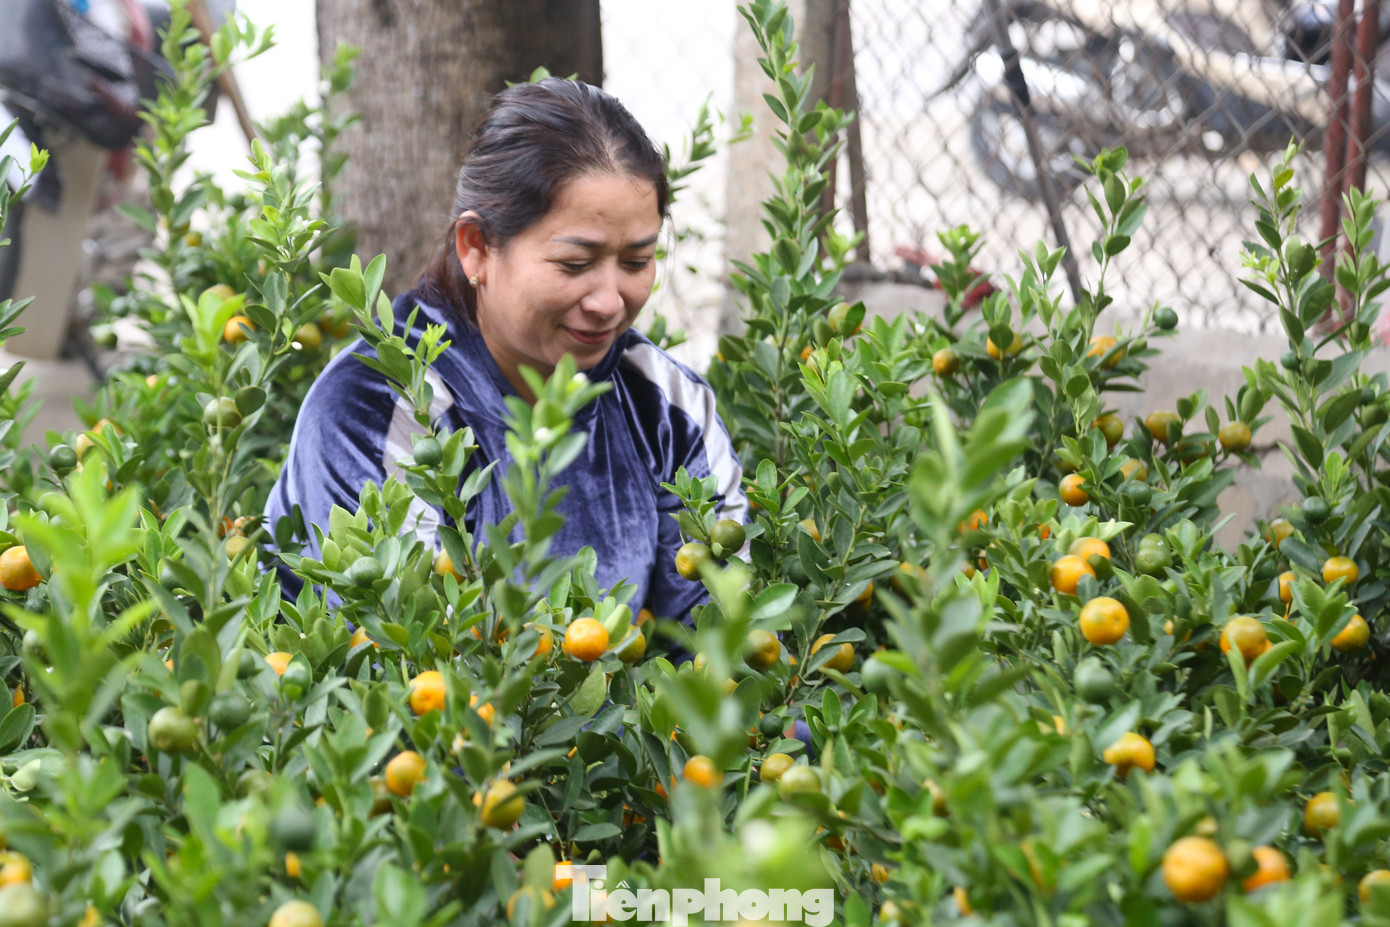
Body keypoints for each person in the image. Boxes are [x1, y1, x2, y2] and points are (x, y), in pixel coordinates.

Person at [265, 77, 746, 623]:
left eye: (636, 262)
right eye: (574, 264)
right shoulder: (375, 410)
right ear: (476, 248)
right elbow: (404, 666)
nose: (611, 302)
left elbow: (718, 643)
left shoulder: (666, 406)